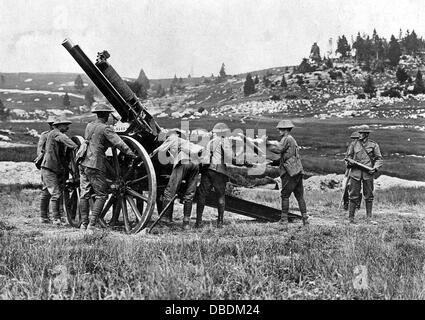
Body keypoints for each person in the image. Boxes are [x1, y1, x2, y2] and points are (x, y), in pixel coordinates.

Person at [79, 104, 138, 232]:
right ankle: (92, 224)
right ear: (106, 115)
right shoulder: (106, 129)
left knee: (84, 194)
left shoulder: (89, 126)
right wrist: (132, 154)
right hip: (96, 164)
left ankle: (83, 224)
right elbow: (119, 143)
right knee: (101, 195)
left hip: (83, 163)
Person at [153, 129, 202, 230]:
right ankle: (186, 223)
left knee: (169, 192)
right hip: (196, 165)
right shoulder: (186, 142)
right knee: (189, 194)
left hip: (183, 162)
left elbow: (159, 150)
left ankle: (165, 221)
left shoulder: (173, 138)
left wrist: (148, 156)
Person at [268, 120, 308, 226]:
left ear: (285, 130)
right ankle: (305, 219)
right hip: (297, 171)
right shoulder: (292, 140)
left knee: (285, 195)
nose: (279, 131)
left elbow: (278, 150)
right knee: (300, 196)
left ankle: (284, 220)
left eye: (280, 129)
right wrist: (274, 162)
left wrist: (266, 144)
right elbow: (288, 156)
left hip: (289, 172)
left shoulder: (286, 139)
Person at [195, 122, 235, 228]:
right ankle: (220, 222)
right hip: (219, 172)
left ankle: (198, 222)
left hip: (207, 171)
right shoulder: (224, 141)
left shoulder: (210, 142)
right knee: (221, 196)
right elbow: (230, 157)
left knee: (202, 195)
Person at [40, 116, 78, 225]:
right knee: (55, 194)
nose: (67, 127)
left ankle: (44, 217)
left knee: (47, 192)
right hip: (50, 167)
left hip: (49, 167)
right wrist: (77, 146)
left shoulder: (52, 134)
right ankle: (56, 219)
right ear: (58, 126)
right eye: (65, 125)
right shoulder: (56, 133)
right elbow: (68, 142)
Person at [345, 125, 383, 223]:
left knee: (369, 196)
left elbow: (379, 159)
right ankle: (351, 219)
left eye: (362, 133)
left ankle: (369, 218)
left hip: (368, 173)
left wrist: (375, 168)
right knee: (353, 196)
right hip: (355, 173)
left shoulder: (373, 145)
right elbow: (347, 157)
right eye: (359, 133)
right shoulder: (353, 144)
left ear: (366, 134)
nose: (359, 135)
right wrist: (350, 162)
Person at [37, 116, 56, 223]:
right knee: (46, 191)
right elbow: (39, 151)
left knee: (58, 192)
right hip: (47, 166)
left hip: (58, 167)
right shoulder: (45, 135)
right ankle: (43, 216)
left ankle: (58, 215)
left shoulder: (60, 135)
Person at [342, 132, 362, 211]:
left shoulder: (361, 148)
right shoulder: (350, 147)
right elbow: (346, 158)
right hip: (349, 171)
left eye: (356, 139)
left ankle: (357, 205)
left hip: (358, 172)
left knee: (358, 189)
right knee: (345, 187)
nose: (354, 140)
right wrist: (348, 163)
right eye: (353, 139)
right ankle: (346, 204)